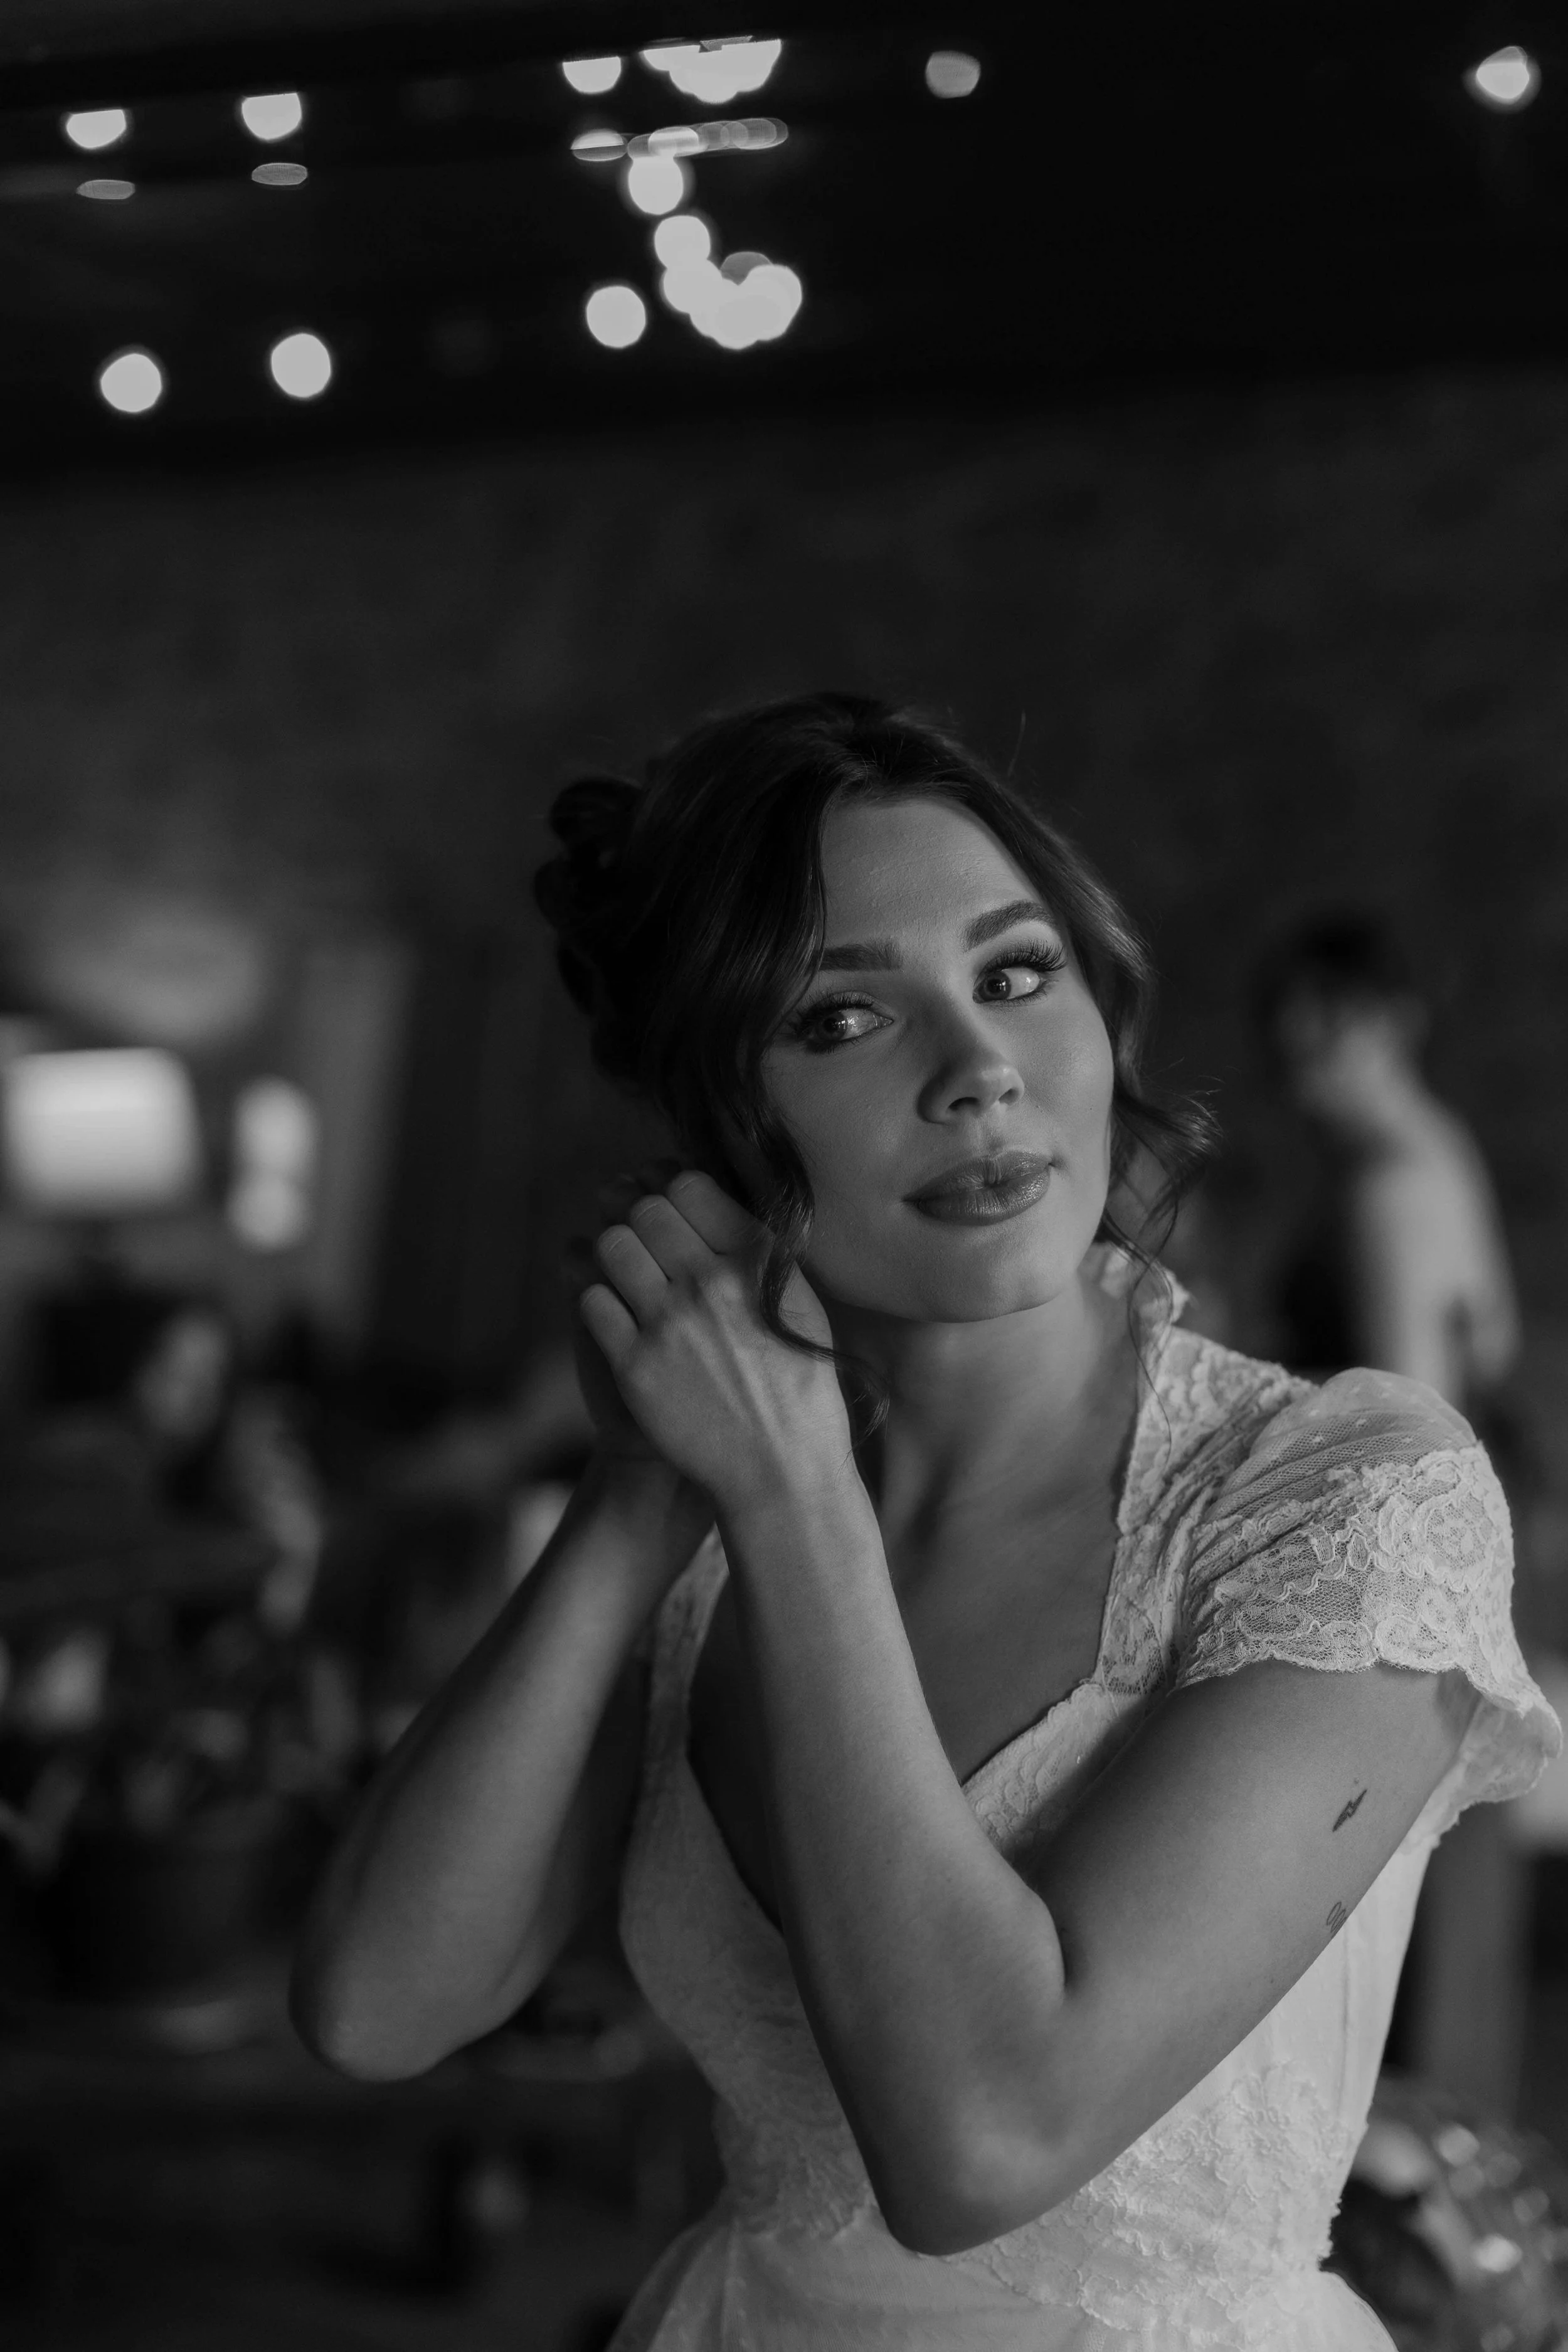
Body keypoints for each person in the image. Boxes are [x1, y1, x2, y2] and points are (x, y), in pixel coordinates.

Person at [292, 696, 1557, 2350]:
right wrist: (634, 1494)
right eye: (839, 1016)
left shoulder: (1340, 1492)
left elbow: (984, 2142)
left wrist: (793, 1495)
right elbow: (377, 2008)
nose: (976, 1071)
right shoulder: (703, 1519)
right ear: (720, 1125)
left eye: (1016, 972)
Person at [1259, 916, 1534, 2118]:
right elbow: (1493, 1356)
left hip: (1399, 1555)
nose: (1301, 1050)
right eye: (1291, 1024)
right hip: (1466, 1535)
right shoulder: (1439, 1148)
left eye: (1330, 1022)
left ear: (1393, 1022)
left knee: (1396, 1866)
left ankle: (1414, 2153)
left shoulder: (1387, 1187)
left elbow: (1408, 1419)